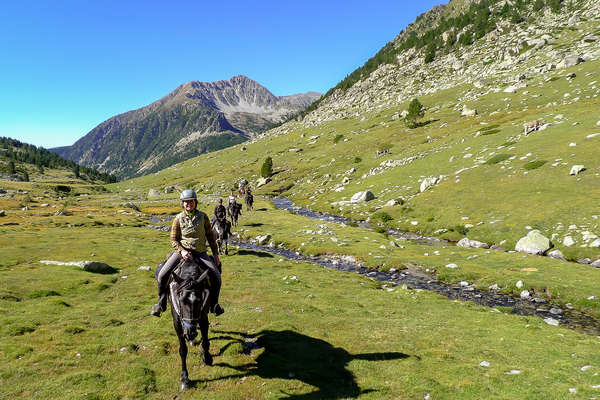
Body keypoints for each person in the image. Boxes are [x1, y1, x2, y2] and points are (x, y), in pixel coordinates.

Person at [151, 189, 224, 317]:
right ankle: (161, 304)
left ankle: (214, 305)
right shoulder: (178, 219)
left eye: (191, 201)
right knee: (162, 275)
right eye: (186, 202)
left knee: (216, 277)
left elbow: (211, 237)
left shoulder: (203, 217)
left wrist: (216, 255)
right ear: (182, 203)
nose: (188, 203)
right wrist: (182, 251)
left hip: (200, 252)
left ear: (195, 202)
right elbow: (173, 239)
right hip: (183, 252)